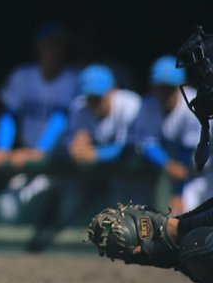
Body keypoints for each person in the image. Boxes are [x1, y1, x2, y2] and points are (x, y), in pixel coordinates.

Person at [27, 63, 143, 252]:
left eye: (99, 96)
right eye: (90, 96)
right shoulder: (79, 107)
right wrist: (74, 147)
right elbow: (71, 144)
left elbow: (129, 149)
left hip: (133, 177)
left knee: (135, 216)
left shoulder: (130, 105)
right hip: (94, 177)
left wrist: (95, 153)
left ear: (112, 91)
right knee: (71, 196)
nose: (94, 101)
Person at [0, 23, 80, 224]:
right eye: (48, 45)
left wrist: (39, 151)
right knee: (7, 207)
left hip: (65, 162)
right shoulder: (22, 76)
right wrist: (2, 147)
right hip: (30, 159)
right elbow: (9, 114)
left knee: (70, 216)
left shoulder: (74, 79)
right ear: (38, 47)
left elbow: (61, 119)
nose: (53, 51)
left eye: (58, 45)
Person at [134, 56, 201, 212]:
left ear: (179, 86)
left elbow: (185, 155)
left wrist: (178, 194)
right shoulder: (148, 105)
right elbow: (145, 143)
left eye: (169, 87)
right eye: (160, 87)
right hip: (177, 174)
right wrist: (168, 165)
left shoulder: (194, 103)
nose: (164, 92)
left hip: (204, 173)